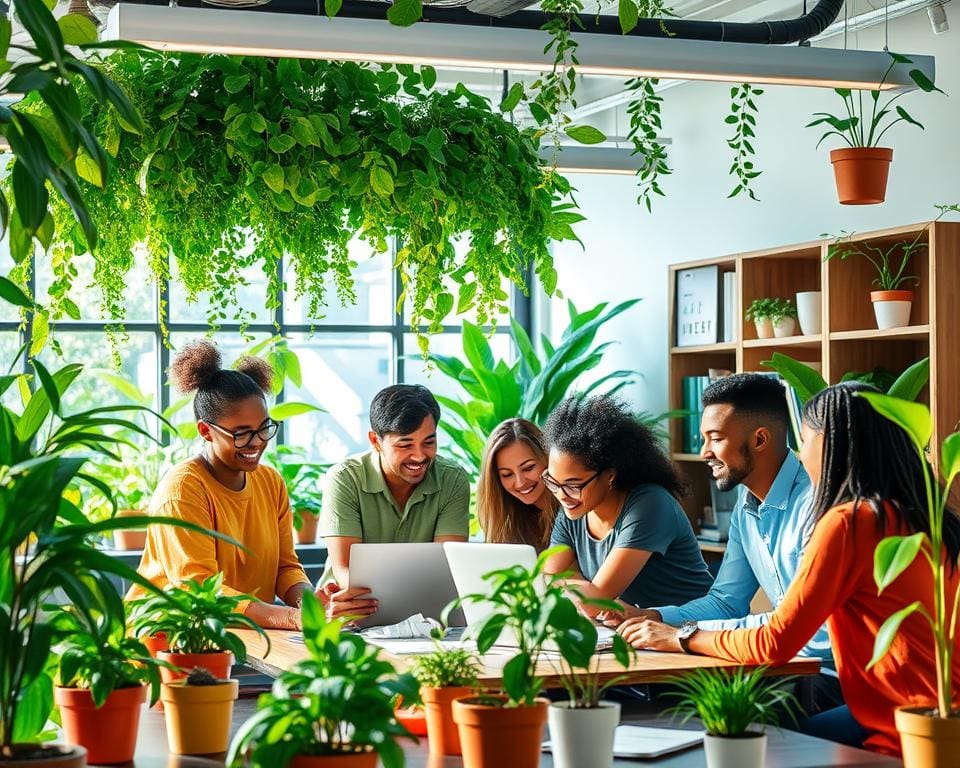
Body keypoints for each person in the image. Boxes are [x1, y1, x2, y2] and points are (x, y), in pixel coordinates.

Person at [614, 382, 960, 756]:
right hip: (932, 715)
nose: (800, 452)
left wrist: (682, 637)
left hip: (900, 721)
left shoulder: (847, 521)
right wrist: (662, 621)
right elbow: (731, 602)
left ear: (830, 446)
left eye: (806, 440)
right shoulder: (918, 516)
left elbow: (777, 640)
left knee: (736, 732)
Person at [606, 374, 837, 709]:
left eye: (715, 439)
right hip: (778, 663)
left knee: (699, 704)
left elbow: (798, 628)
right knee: (649, 693)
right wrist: (655, 617)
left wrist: (682, 636)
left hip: (826, 673)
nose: (704, 453)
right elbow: (728, 602)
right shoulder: (746, 507)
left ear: (759, 439)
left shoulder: (815, 505)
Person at [129, 340, 374, 629]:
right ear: (206, 431)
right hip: (168, 644)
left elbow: (285, 567)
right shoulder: (182, 490)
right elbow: (201, 591)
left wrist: (310, 602)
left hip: (245, 639)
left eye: (263, 429)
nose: (257, 442)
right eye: (242, 433)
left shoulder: (270, 481)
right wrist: (298, 619)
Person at [542, 395, 713, 614]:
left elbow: (595, 603)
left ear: (610, 475)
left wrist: (570, 578)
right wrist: (577, 586)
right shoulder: (574, 506)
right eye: (553, 482)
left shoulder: (649, 504)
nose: (562, 494)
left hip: (692, 629)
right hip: (637, 633)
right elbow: (549, 578)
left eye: (573, 484)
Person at [320, 384, 470, 594]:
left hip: (425, 612)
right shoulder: (345, 479)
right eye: (405, 445)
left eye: (429, 442)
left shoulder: (452, 479)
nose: (419, 456)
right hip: (351, 610)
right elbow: (344, 571)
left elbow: (447, 570)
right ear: (376, 441)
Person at [476, 418, 559, 552]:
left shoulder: (571, 511)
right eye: (507, 475)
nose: (520, 483)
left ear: (547, 458)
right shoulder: (508, 521)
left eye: (528, 468)